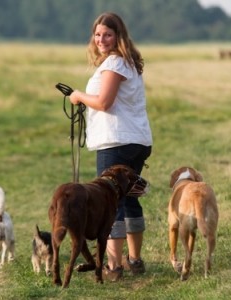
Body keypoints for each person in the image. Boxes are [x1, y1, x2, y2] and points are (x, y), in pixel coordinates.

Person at [70, 12, 153, 281]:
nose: (101, 39)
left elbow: (104, 102)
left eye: (107, 34)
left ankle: (114, 267)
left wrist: (79, 96)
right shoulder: (127, 61)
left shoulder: (115, 63)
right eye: (97, 34)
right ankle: (135, 260)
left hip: (116, 142)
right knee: (129, 199)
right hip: (136, 140)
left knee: (110, 204)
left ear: (118, 36)